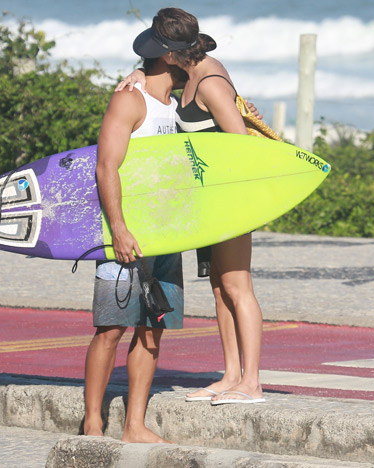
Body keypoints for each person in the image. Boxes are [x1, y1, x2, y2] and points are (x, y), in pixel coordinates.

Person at [120, 7, 266, 405]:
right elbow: (153, 79)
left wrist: (233, 202)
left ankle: (251, 382)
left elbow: (241, 146)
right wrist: (136, 75)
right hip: (208, 200)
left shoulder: (210, 82)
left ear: (169, 52)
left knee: (238, 287)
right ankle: (231, 375)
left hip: (230, 197)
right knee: (220, 288)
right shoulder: (188, 72)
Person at [83, 55, 187, 443]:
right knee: (110, 329)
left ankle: (134, 426)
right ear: (170, 58)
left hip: (167, 236)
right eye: (189, 56)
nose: (196, 65)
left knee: (152, 329)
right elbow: (106, 166)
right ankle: (93, 421)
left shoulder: (178, 106)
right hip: (125, 234)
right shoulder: (130, 99)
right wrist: (120, 229)